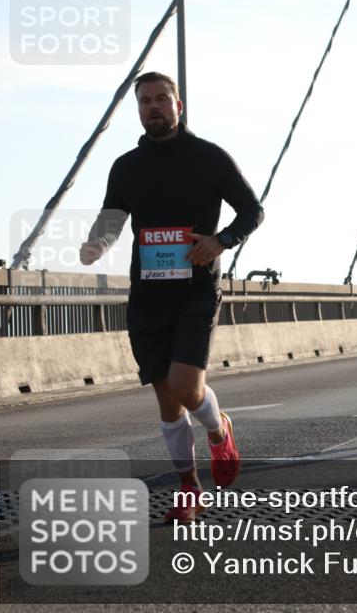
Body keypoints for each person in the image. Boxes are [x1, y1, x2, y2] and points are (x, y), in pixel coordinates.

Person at [80, 71, 263, 522]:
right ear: (139, 109)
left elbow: (252, 210)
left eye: (162, 98)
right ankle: (188, 488)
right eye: (145, 101)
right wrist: (95, 244)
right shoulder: (126, 166)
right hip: (147, 297)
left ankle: (220, 430)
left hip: (197, 290)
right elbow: (112, 216)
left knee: (185, 387)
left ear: (178, 105)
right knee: (166, 400)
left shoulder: (208, 157)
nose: (154, 107)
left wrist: (220, 242)